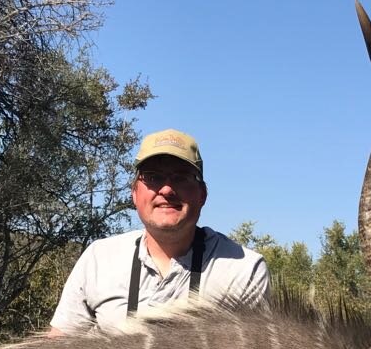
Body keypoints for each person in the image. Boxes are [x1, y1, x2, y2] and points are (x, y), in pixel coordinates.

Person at [49, 129, 270, 334]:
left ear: (202, 195)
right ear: (135, 193)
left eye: (181, 178)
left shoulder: (243, 269)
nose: (166, 190)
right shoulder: (99, 258)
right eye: (153, 178)